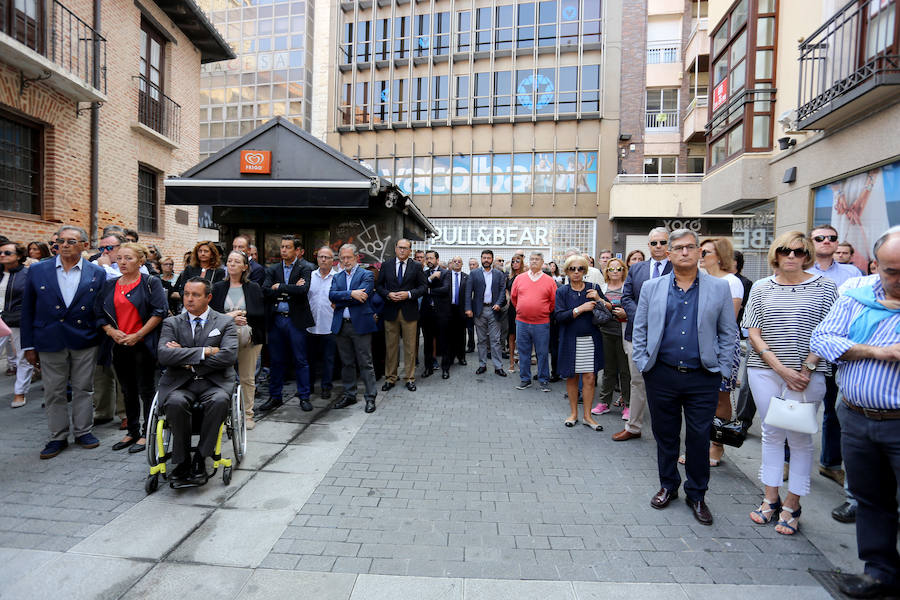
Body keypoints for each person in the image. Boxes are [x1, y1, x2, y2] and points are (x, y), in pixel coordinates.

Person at [810, 226, 900, 599]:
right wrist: (881, 352)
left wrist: (852, 345)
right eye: (892, 271)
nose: (898, 279)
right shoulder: (857, 296)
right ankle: (879, 572)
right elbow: (823, 339)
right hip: (858, 417)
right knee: (871, 500)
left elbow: (837, 343)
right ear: (876, 265)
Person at [632, 229, 737, 525]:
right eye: (677, 248)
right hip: (661, 374)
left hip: (702, 376)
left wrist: (724, 370)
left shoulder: (718, 288)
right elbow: (640, 329)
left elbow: (729, 333)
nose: (684, 252)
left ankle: (697, 493)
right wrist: (643, 363)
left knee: (698, 437)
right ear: (669, 253)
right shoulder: (653, 287)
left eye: (691, 247)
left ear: (699, 253)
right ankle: (668, 486)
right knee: (665, 436)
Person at [743, 231, 836, 535]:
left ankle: (792, 503)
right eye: (785, 250)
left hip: (808, 374)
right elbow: (753, 331)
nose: (792, 256)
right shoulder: (761, 287)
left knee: (799, 438)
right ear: (776, 254)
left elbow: (830, 331)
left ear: (807, 254)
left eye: (798, 251)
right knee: (771, 432)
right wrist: (781, 369)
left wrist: (807, 368)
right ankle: (770, 498)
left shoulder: (825, 287)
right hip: (765, 370)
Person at [21, 225, 107, 459]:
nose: (65, 245)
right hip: (49, 339)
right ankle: (58, 436)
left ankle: (83, 432)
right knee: (53, 391)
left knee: (84, 388)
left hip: (85, 339)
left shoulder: (97, 273)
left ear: (84, 245)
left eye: (71, 241)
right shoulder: (38, 270)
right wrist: (28, 345)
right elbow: (27, 309)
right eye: (61, 241)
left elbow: (100, 309)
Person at [156, 277, 238, 487]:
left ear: (208, 297)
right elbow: (164, 355)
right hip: (180, 383)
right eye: (186, 294)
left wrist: (185, 358)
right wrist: (205, 352)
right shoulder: (171, 322)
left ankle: (201, 458)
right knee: (174, 402)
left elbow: (228, 356)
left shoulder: (224, 322)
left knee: (220, 400)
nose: (189, 299)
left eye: (196, 295)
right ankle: (181, 461)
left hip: (215, 382)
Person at [96, 243, 167, 453]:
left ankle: (148, 431)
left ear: (140, 261)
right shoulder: (110, 285)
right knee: (127, 390)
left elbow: (159, 311)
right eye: (119, 258)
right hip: (119, 344)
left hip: (143, 343)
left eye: (128, 258)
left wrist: (138, 335)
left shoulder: (150, 283)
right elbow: (98, 312)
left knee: (146, 389)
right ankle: (132, 431)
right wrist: (111, 331)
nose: (123, 262)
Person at [808, 224, 862, 487]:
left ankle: (830, 463)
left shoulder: (853, 274)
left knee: (834, 410)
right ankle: (785, 460)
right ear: (811, 242)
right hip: (809, 351)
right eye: (820, 238)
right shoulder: (802, 271)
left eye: (832, 238)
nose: (827, 242)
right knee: (798, 407)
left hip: (842, 353)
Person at [612, 227, 672, 442]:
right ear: (649, 245)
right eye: (654, 243)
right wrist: (643, 316)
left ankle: (665, 432)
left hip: (667, 338)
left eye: (662, 243)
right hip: (636, 335)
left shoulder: (678, 269)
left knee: (665, 386)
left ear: (669, 245)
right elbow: (626, 297)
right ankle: (634, 427)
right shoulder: (637, 270)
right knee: (637, 382)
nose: (658, 247)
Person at [695, 237, 744, 466]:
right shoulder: (699, 279)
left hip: (721, 345)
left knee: (721, 395)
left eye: (706, 252)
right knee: (699, 397)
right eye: (701, 251)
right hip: (697, 342)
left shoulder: (731, 282)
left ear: (720, 255)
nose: (701, 256)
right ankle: (699, 445)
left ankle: (717, 445)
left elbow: (728, 321)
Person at [211, 251, 266, 429]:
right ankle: (222, 413)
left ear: (244, 267)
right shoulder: (218, 287)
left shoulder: (253, 287)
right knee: (221, 377)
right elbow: (211, 314)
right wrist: (231, 317)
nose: (232, 264)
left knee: (247, 377)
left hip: (249, 337)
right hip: (223, 337)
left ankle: (248, 415)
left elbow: (259, 312)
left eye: (236, 261)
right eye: (229, 261)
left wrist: (242, 315)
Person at [258, 236, 314, 411]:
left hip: (295, 320)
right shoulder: (272, 269)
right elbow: (265, 291)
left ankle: (304, 397)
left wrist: (279, 287)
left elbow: (303, 290)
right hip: (276, 320)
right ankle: (275, 397)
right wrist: (289, 288)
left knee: (301, 360)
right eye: (282, 247)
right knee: (276, 361)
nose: (283, 250)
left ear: (297, 250)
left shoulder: (305, 268)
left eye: (287, 247)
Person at [554, 254, 605, 430]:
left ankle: (588, 416)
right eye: (572, 269)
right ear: (567, 271)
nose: (576, 272)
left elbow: (609, 310)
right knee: (572, 377)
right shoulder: (562, 291)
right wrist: (580, 309)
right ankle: (574, 413)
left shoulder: (594, 288)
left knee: (590, 378)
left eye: (580, 268)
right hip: (570, 339)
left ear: (585, 270)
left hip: (591, 339)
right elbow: (559, 316)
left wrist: (598, 299)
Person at [330, 243, 378, 413]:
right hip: (342, 326)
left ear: (356, 257)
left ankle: (370, 397)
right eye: (342, 258)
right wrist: (351, 294)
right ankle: (350, 394)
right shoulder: (337, 276)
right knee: (346, 363)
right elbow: (331, 295)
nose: (345, 261)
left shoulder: (367, 274)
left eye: (348, 257)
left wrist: (341, 299)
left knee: (365, 362)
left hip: (361, 326)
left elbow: (364, 296)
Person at [376, 239, 427, 391]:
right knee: (391, 347)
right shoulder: (386, 265)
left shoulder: (417, 266)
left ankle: (409, 378)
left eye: (405, 248)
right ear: (396, 248)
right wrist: (388, 294)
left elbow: (424, 287)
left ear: (410, 250)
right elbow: (378, 285)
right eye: (400, 248)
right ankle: (390, 378)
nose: (402, 250)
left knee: (410, 347)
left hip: (409, 312)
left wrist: (409, 294)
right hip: (391, 311)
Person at [511, 252, 556, 392]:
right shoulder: (519, 278)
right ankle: (525, 379)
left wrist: (541, 311)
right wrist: (522, 309)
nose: (534, 262)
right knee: (523, 352)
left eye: (537, 259)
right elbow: (514, 298)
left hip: (541, 322)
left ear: (543, 262)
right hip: (522, 322)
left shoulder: (549, 280)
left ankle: (543, 380)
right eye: (531, 259)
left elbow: (553, 302)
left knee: (542, 352)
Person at [593, 257, 630, 418]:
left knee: (625, 370)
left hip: (624, 331)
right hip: (606, 331)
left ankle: (628, 404)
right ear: (606, 271)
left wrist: (625, 313)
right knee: (608, 370)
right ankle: (604, 402)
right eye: (611, 269)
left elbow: (634, 308)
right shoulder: (602, 287)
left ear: (624, 271)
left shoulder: (628, 287)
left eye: (618, 268)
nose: (615, 272)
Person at [465, 249, 508, 378]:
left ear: (492, 259)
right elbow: (468, 292)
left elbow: (502, 291)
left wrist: (499, 304)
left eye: (489, 258)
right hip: (479, 310)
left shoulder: (499, 274)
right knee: (482, 340)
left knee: (495, 340)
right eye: (484, 258)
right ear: (481, 259)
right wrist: (468, 308)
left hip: (494, 310)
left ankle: (498, 367)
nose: (486, 260)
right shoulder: (474, 274)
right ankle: (482, 365)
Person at [1, 242, 33, 408]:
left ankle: (20, 392)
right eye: (1, 252)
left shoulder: (27, 274)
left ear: (19, 256)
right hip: (0, 319)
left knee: (22, 356)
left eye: (7, 252)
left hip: (16, 319)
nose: (2, 255)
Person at [305, 246, 337, 399]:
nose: (323, 260)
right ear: (317, 259)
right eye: (321, 257)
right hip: (311, 326)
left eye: (327, 257)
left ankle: (326, 387)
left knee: (328, 360)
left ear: (332, 260)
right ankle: (308, 386)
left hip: (329, 325)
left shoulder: (338, 277)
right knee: (309, 359)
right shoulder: (309, 276)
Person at [421, 250, 452, 378]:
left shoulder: (446, 273)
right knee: (427, 342)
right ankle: (428, 368)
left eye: (431, 258)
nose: (429, 260)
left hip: (442, 312)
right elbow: (421, 289)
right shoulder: (424, 274)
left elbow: (445, 290)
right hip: (427, 313)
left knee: (444, 341)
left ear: (437, 260)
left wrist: (429, 290)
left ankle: (445, 369)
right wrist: (431, 278)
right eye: (427, 258)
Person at [446, 256, 469, 369]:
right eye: (454, 261)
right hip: (449, 309)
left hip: (461, 309)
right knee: (449, 335)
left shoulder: (466, 277)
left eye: (459, 262)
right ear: (451, 263)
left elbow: (469, 295)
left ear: (462, 264)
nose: (456, 263)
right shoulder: (446, 276)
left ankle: (461, 357)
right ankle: (450, 358)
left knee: (461, 335)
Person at [505, 253, 526, 372]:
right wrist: (508, 297)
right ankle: (512, 362)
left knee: (522, 337)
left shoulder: (526, 276)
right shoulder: (509, 276)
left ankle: (523, 362)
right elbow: (507, 289)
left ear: (522, 262)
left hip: (522, 308)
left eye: (517, 261)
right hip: (512, 308)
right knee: (512, 335)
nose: (514, 263)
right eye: (513, 261)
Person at [466, 258, 479, 352]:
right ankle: (471, 346)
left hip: (479, 306)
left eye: (473, 264)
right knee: (470, 328)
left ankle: (482, 347)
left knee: (480, 329)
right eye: (470, 264)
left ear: (477, 266)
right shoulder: (466, 277)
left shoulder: (481, 276)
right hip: (470, 306)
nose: (471, 266)